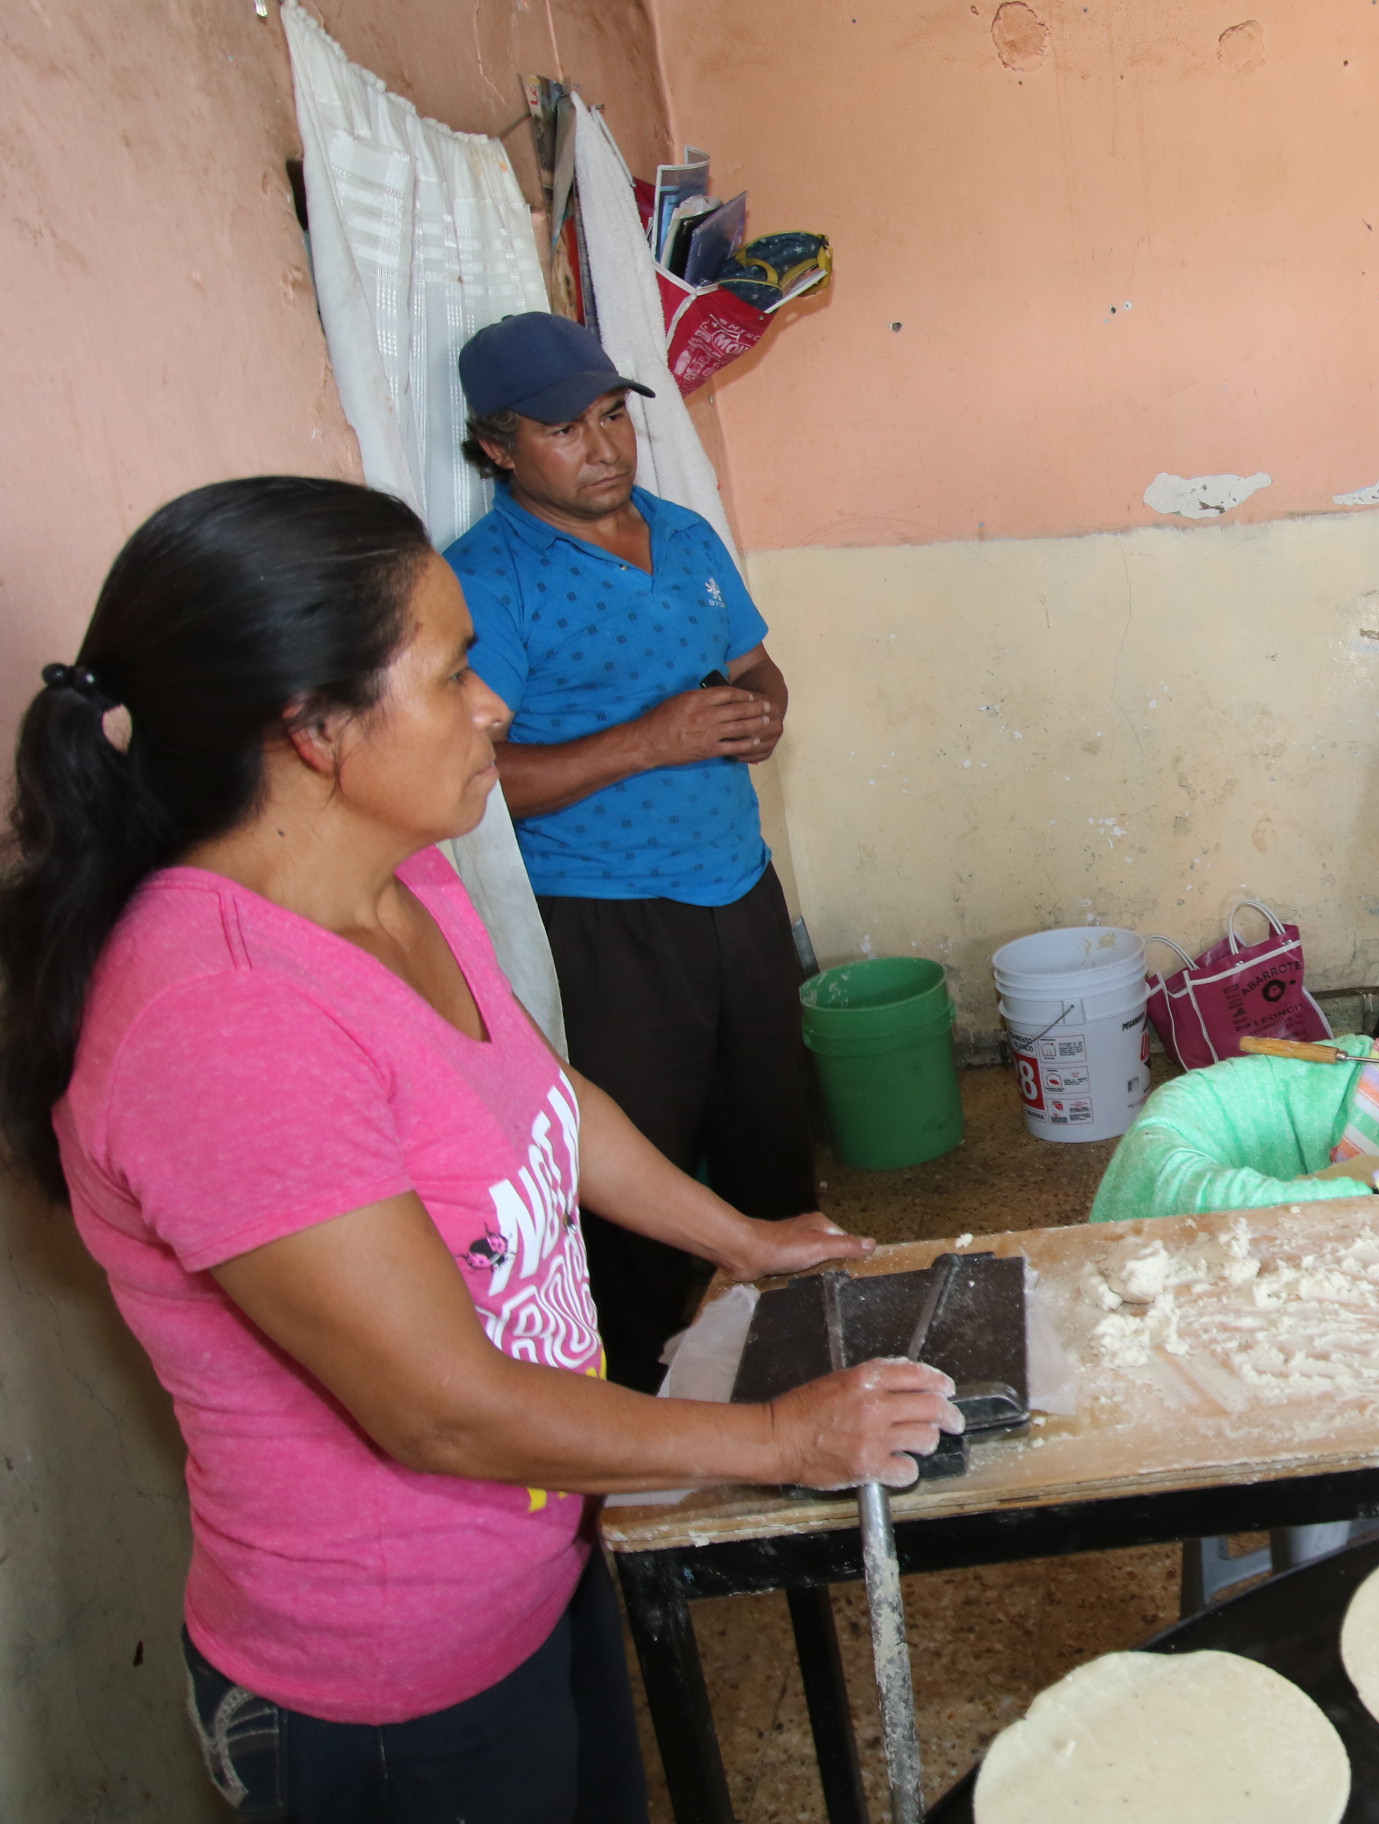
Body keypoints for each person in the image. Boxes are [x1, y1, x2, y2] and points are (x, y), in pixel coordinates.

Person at [0, 477, 960, 1821]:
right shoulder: (220, 1017)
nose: (494, 706)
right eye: (453, 675)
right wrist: (779, 1440)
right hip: (388, 1681)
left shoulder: (398, 875)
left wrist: (737, 1238)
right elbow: (439, 1407)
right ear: (314, 730)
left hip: (535, 1553)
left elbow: (541, 1099)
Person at [446, 311, 812, 1391]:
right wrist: (652, 740)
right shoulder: (485, 580)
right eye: (564, 429)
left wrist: (763, 711)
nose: (603, 448)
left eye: (612, 416)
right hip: (608, 919)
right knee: (638, 1181)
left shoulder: (682, 534)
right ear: (496, 447)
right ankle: (650, 1409)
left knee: (773, 1145)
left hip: (738, 886)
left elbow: (754, 665)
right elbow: (474, 780)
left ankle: (799, 1369)